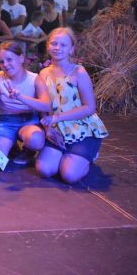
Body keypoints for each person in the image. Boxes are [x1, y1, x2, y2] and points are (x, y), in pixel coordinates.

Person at [36, 28, 108, 184]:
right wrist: (47, 130)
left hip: (81, 129)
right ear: (48, 46)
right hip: (57, 130)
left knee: (69, 176)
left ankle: (87, 156)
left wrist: (57, 117)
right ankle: (66, 156)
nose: (58, 48)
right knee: (44, 170)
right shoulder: (43, 74)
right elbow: (43, 106)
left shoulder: (79, 72)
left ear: (71, 49)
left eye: (63, 45)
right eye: (54, 43)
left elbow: (89, 107)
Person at [0, 41, 50, 169]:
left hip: (28, 121)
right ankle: (11, 146)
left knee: (36, 140)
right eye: (1, 62)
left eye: (9, 59)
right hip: (6, 122)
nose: (5, 65)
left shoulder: (35, 78)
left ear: (21, 58)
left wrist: (20, 97)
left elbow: (46, 106)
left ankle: (27, 151)